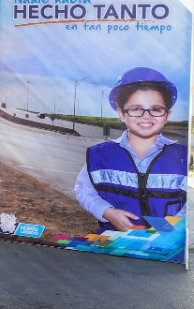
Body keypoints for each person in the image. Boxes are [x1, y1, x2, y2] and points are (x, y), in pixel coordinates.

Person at [75, 67, 187, 232]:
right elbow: (83, 190)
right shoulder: (99, 155)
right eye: (136, 109)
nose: (146, 115)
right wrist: (107, 212)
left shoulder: (183, 157)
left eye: (156, 109)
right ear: (121, 114)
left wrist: (169, 230)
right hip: (115, 241)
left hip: (168, 243)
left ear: (167, 115)